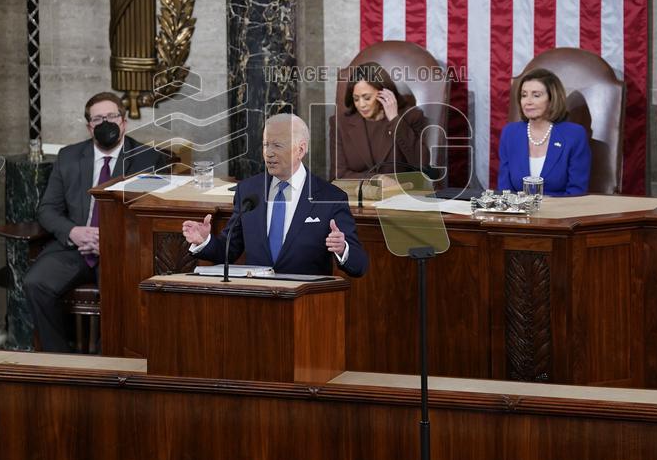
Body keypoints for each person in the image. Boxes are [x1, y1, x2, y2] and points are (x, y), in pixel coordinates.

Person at [24, 91, 168, 352]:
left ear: (124, 122)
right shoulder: (69, 156)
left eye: (112, 116)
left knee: (121, 294)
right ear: (89, 126)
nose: (105, 123)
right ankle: (61, 363)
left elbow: (150, 216)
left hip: (121, 251)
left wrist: (112, 241)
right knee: (36, 283)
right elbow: (47, 209)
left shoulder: (149, 159)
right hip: (74, 248)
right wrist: (73, 232)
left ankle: (107, 362)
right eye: (98, 118)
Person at [183, 113, 368, 277]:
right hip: (257, 301)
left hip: (305, 304)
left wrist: (343, 249)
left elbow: (359, 266)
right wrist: (204, 241)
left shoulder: (330, 197)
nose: (268, 153)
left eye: (277, 145)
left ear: (300, 150)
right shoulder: (248, 191)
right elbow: (229, 249)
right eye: (265, 145)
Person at [498, 68, 591, 196]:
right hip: (517, 213)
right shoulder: (510, 133)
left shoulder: (574, 135)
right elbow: (505, 190)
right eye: (524, 95)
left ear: (552, 99)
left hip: (561, 212)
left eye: (536, 95)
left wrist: (544, 207)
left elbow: (576, 191)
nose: (528, 102)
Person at [331, 62, 430, 180]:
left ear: (384, 93)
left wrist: (395, 120)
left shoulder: (412, 117)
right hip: (357, 194)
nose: (361, 105)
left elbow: (421, 165)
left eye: (367, 98)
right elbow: (338, 175)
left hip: (402, 194)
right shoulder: (340, 123)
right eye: (356, 99)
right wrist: (375, 180)